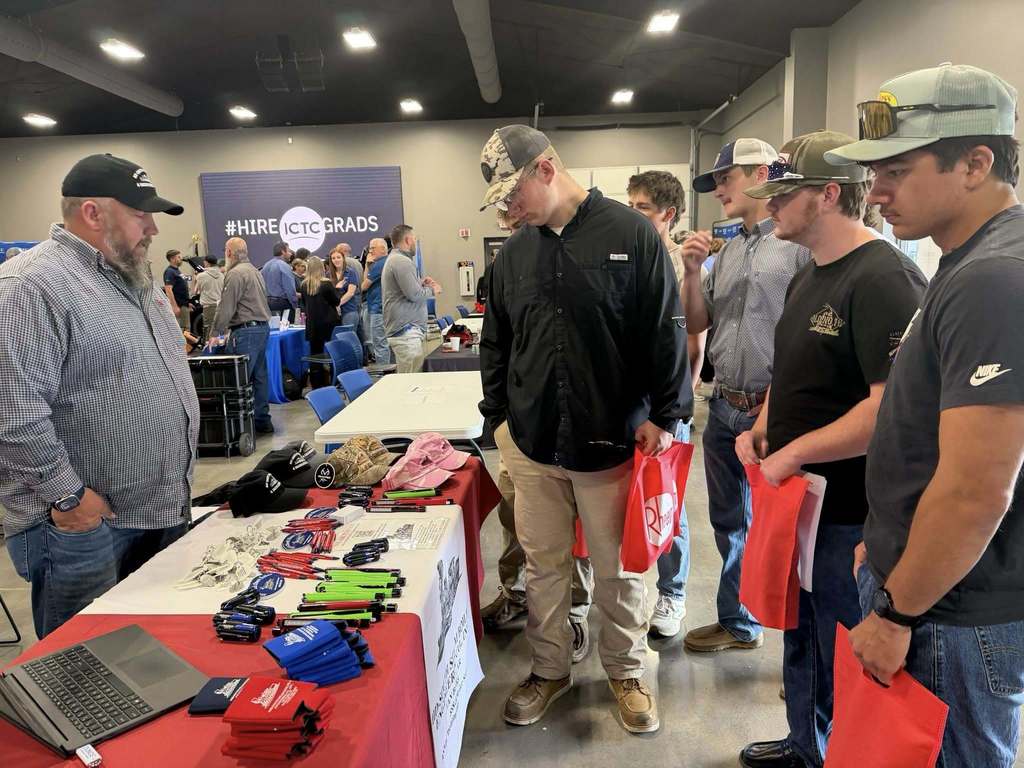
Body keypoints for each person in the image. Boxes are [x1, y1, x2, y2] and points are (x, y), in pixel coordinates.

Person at [825, 63, 1024, 768]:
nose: (874, 194)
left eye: (896, 171)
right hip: (926, 585)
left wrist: (896, 608)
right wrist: (884, 549)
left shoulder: (993, 278)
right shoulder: (966, 262)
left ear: (975, 163)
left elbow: (976, 490)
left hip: (951, 615)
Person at [477, 125, 691, 734]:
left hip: (614, 440)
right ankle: (549, 669)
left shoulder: (630, 235)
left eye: (511, 192)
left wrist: (664, 414)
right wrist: (498, 423)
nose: (505, 208)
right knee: (545, 567)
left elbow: (664, 329)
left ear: (546, 168)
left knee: (622, 568)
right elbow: (498, 343)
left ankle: (625, 672)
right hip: (533, 443)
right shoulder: (515, 253)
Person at [733, 131, 927, 768]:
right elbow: (796, 373)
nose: (770, 207)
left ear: (830, 195)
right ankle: (803, 745)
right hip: (801, 503)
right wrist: (765, 424)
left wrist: (795, 451)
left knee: (843, 644)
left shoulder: (884, 278)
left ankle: (837, 753)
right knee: (801, 630)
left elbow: (888, 408)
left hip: (850, 512)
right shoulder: (808, 275)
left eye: (785, 195)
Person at [0, 152, 197, 638]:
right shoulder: (31, 285)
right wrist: (70, 499)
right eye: (139, 214)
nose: (152, 228)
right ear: (92, 213)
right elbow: (14, 411)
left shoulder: (130, 276)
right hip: (85, 527)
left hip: (159, 509)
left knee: (161, 656)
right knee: (85, 672)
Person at [680, 138, 813, 653]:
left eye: (725, 178)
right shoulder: (731, 250)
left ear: (761, 173)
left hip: (776, 414)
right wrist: (693, 273)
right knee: (729, 522)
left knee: (790, 534)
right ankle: (739, 621)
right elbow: (697, 322)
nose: (717, 190)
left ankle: (804, 655)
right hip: (723, 408)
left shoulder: (799, 248)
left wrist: (774, 412)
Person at [480, 209, 595, 648]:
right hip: (521, 428)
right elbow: (497, 343)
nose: (511, 218)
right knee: (517, 520)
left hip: (573, 428)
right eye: (505, 214)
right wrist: (500, 422)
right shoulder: (509, 260)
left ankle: (576, 612)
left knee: (575, 529)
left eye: (517, 209)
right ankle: (515, 592)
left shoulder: (572, 256)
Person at [625, 169, 703, 637]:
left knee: (666, 503)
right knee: (629, 499)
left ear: (667, 215)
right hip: (630, 405)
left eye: (641, 209)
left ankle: (672, 594)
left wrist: (672, 413)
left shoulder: (677, 265)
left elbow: (693, 345)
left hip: (665, 409)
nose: (631, 216)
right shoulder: (631, 257)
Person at [211, 237, 274, 434]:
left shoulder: (235, 274)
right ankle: (262, 420)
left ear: (229, 253)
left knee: (239, 378)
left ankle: (240, 427)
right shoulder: (255, 271)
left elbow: (227, 306)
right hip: (262, 328)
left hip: (245, 331)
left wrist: (215, 332)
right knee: (259, 376)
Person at [382, 224, 441, 373]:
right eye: (414, 239)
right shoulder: (401, 262)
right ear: (408, 240)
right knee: (410, 383)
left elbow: (404, 291)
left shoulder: (397, 260)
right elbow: (414, 295)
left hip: (407, 331)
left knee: (411, 379)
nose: (415, 242)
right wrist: (433, 290)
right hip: (406, 332)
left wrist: (419, 283)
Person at [298, 256, 340, 388]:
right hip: (329, 323)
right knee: (334, 352)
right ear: (322, 268)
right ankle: (335, 380)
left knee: (315, 355)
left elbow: (304, 304)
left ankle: (317, 383)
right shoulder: (326, 284)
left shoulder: (304, 285)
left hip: (313, 325)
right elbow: (336, 301)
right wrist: (337, 289)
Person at [361, 237, 391, 364]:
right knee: (386, 344)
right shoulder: (388, 262)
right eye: (370, 248)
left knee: (379, 345)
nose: (370, 251)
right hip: (385, 308)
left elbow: (363, 286)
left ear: (383, 249)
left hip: (378, 309)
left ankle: (384, 377)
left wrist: (368, 266)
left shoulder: (379, 264)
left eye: (373, 248)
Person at [262, 241, 298, 323]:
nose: (291, 254)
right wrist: (295, 306)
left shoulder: (265, 266)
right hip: (283, 305)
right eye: (289, 251)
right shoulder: (284, 266)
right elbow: (290, 290)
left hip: (268, 305)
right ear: (283, 251)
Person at [328, 248, 362, 331]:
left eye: (338, 257)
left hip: (349, 310)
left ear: (343, 258)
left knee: (348, 336)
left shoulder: (351, 272)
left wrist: (338, 304)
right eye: (333, 258)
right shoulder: (328, 274)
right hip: (333, 313)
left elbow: (350, 293)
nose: (336, 260)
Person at [192, 254, 223, 338]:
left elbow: (195, 292)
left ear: (206, 263)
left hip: (209, 307)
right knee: (220, 330)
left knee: (208, 330)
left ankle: (209, 349)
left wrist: (195, 278)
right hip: (221, 306)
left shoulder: (201, 276)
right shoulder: (222, 275)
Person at [163, 249, 191, 330]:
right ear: (172, 259)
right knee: (184, 330)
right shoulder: (169, 272)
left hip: (184, 305)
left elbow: (184, 283)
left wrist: (188, 302)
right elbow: (168, 290)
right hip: (179, 306)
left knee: (187, 329)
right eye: (178, 257)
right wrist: (174, 306)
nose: (181, 259)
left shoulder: (177, 271)